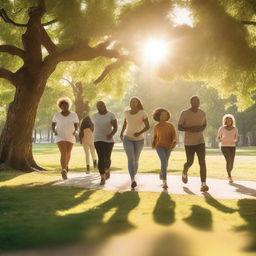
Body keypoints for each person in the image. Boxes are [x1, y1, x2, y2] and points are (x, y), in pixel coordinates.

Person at [178, 96, 209, 192]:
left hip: (200, 141)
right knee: (190, 162)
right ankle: (184, 171)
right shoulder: (184, 113)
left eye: (198, 101)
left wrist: (201, 129)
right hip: (189, 142)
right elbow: (179, 127)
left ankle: (203, 184)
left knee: (202, 161)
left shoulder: (202, 113)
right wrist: (190, 129)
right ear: (191, 102)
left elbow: (204, 124)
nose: (197, 102)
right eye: (194, 101)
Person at [120, 97, 150, 188]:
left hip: (139, 140)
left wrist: (139, 133)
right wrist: (122, 133)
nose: (133, 103)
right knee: (131, 159)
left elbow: (147, 126)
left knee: (136, 160)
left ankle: (133, 175)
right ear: (130, 103)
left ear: (138, 103)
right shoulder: (126, 113)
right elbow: (125, 123)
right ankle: (132, 179)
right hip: (128, 138)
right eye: (132, 102)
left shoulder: (143, 113)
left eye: (135, 102)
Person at [52, 97, 79, 180]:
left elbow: (76, 125)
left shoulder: (73, 115)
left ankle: (66, 165)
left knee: (68, 153)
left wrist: (76, 131)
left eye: (66, 105)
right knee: (63, 152)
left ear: (68, 105)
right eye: (62, 105)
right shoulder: (57, 115)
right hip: (59, 135)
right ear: (60, 106)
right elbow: (53, 124)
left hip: (70, 135)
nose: (64, 107)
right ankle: (63, 170)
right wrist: (54, 131)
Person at [92, 101, 117, 185]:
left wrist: (111, 134)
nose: (101, 106)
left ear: (105, 105)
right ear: (97, 107)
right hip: (97, 139)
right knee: (101, 158)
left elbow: (115, 127)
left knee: (107, 158)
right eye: (98, 105)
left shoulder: (111, 115)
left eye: (102, 104)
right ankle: (102, 177)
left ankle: (107, 169)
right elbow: (92, 127)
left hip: (108, 140)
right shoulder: (94, 116)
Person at [152, 108, 176, 189]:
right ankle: (164, 182)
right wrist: (153, 144)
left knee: (165, 163)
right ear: (158, 116)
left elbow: (174, 136)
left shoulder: (170, 125)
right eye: (162, 115)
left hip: (168, 146)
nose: (163, 116)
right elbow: (155, 137)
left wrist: (174, 142)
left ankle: (162, 173)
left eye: (165, 115)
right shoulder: (156, 126)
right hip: (159, 146)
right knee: (164, 162)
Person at [217, 114, 239, 183]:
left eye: (230, 121)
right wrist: (220, 139)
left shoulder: (235, 128)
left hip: (232, 146)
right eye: (227, 121)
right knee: (228, 160)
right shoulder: (222, 128)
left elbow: (237, 137)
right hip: (224, 146)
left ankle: (229, 172)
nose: (229, 122)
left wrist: (236, 140)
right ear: (225, 121)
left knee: (231, 163)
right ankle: (229, 176)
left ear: (232, 121)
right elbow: (218, 137)